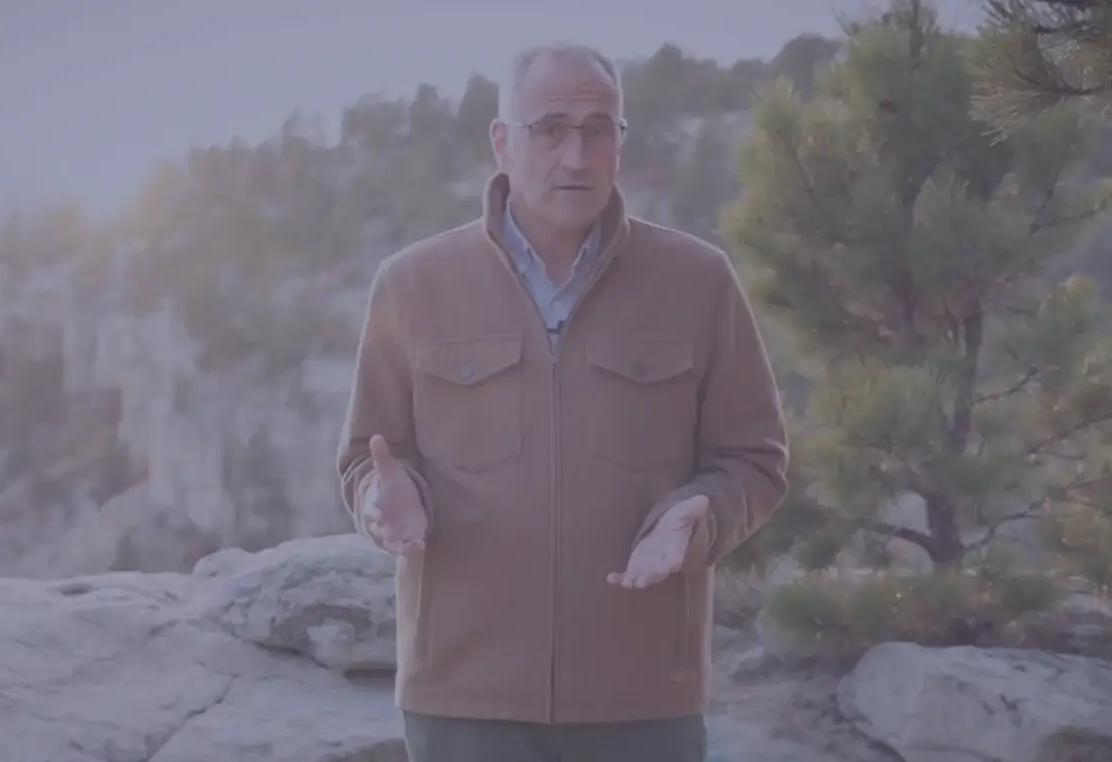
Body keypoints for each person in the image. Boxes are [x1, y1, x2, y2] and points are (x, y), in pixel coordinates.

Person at [335, 42, 789, 762]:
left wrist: (696, 519)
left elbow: (753, 462)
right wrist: (383, 503)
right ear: (501, 142)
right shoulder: (411, 283)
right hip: (462, 703)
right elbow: (369, 457)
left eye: (597, 128)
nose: (575, 155)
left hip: (643, 701)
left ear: (620, 141)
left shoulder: (697, 282)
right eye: (549, 128)